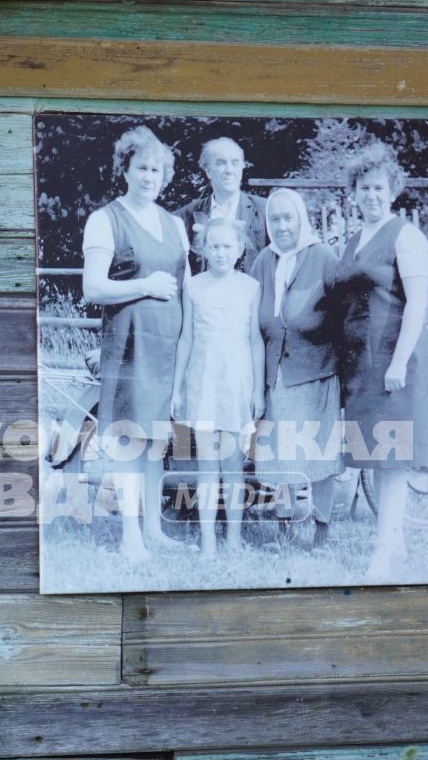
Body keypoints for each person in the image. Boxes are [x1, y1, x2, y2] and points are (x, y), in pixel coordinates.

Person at [81, 125, 190, 563]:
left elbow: (186, 288)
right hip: (129, 346)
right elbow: (92, 288)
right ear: (125, 168)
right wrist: (145, 285)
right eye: (141, 167)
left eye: (157, 169)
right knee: (130, 441)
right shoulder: (105, 219)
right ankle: (130, 537)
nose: (149, 176)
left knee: (155, 442)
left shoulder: (175, 224)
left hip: (167, 348)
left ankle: (152, 529)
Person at [337, 140, 428, 583]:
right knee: (377, 457)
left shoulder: (406, 235)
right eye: (362, 187)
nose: (371, 195)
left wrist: (397, 363)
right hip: (362, 364)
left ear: (391, 189)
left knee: (391, 459)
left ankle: (384, 549)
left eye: (378, 187)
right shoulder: (355, 238)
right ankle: (393, 541)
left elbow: (417, 305)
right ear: (353, 193)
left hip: (394, 361)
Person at [247, 188, 349, 544]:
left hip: (316, 374)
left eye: (288, 217)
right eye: (274, 218)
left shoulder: (323, 257)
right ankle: (285, 530)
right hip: (276, 377)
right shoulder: (263, 261)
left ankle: (322, 529)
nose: (281, 225)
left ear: (301, 219)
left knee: (319, 457)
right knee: (282, 457)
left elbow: (344, 318)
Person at [170, 218, 264, 556]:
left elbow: (255, 340)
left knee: (234, 467)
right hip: (204, 382)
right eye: (214, 245)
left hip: (237, 383)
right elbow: (186, 339)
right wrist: (179, 387)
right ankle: (209, 542)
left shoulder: (251, 287)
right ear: (203, 249)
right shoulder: (194, 287)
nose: (221, 252)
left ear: (239, 250)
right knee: (208, 466)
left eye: (228, 246)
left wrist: (257, 392)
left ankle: (235, 540)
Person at [174, 137, 269, 272]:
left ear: (242, 168)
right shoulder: (186, 216)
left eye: (235, 163)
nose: (229, 170)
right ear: (208, 171)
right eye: (221, 163)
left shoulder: (265, 210)